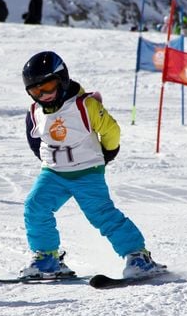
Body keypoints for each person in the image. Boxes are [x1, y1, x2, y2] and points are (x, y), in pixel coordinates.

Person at [19, 51, 164, 279]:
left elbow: (110, 130)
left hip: (87, 173)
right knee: (35, 207)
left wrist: (108, 152)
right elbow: (34, 140)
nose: (43, 95)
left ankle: (138, 257)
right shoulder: (35, 112)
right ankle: (47, 259)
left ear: (62, 79)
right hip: (54, 173)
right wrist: (50, 161)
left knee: (102, 214)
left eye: (47, 87)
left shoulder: (85, 105)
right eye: (35, 91)